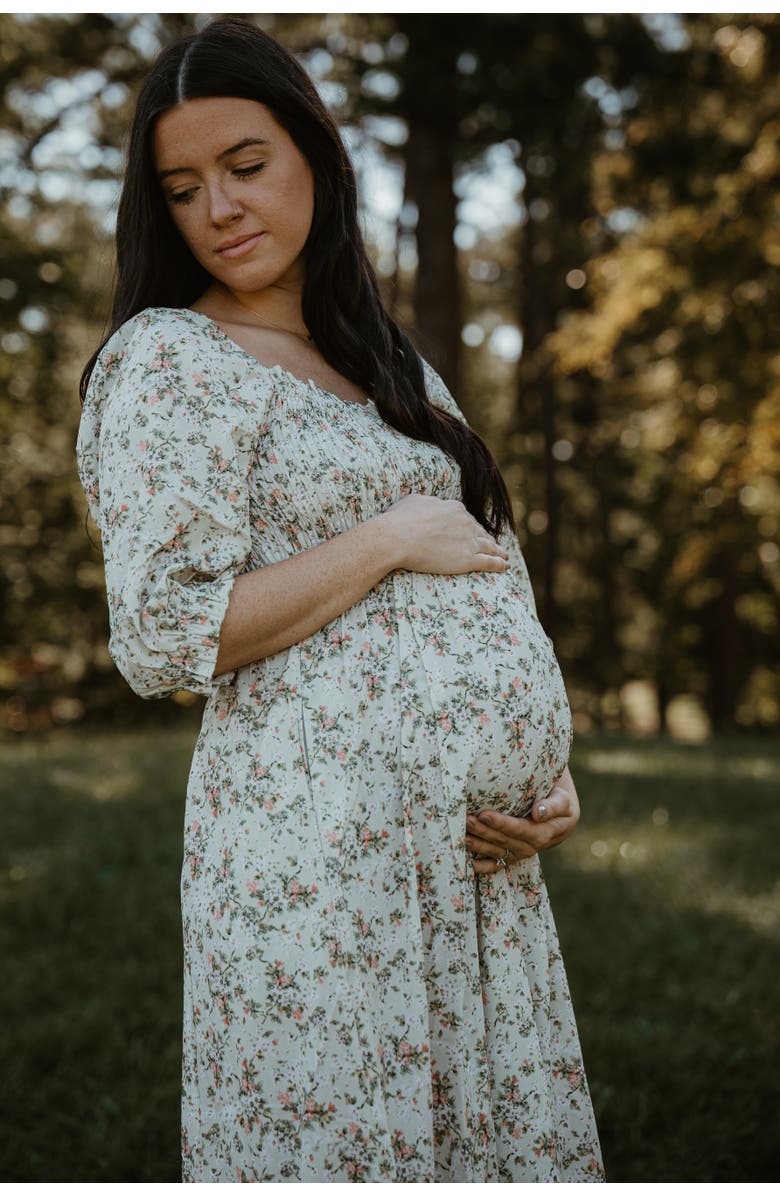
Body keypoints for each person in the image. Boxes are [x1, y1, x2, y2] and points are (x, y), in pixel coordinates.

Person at [76, 16, 605, 1184]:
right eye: (183, 187)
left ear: (316, 154)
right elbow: (165, 636)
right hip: (318, 854)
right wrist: (384, 538)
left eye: (247, 165)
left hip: (476, 862)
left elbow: (493, 577)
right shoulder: (172, 360)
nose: (219, 205)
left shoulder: (390, 364)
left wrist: (543, 768)